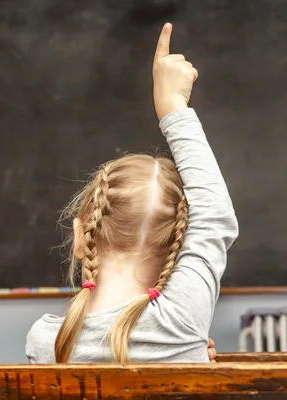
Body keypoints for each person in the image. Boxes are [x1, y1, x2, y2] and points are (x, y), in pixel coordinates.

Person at [25, 23, 238, 364]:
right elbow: (213, 217)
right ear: (181, 246)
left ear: (81, 237)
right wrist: (172, 106)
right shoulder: (179, 323)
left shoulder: (46, 342)